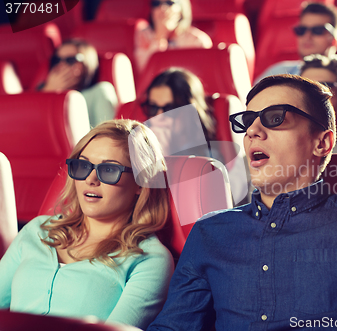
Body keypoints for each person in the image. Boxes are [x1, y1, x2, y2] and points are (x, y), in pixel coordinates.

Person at [147, 74, 337, 330]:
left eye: (274, 118)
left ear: (322, 143)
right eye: (247, 121)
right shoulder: (210, 232)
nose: (253, 131)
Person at [0, 119, 173, 330]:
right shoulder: (38, 230)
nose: (91, 179)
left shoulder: (150, 260)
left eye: (109, 170)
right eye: (83, 165)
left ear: (141, 182)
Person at [142, 67, 250, 205]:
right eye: (153, 108)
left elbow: (202, 206)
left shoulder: (210, 157)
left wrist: (168, 159)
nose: (159, 116)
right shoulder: (141, 147)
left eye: (170, 109)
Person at [254, 2, 337, 90]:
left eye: (317, 30)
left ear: (334, 39)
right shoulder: (275, 73)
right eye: (302, 30)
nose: (307, 36)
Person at [38, 39, 118, 128]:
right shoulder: (42, 89)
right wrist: (49, 91)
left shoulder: (99, 91)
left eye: (71, 60)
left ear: (86, 63)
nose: (61, 65)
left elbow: (108, 135)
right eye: (57, 60)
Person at [135, 0, 213, 72]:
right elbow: (144, 70)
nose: (163, 8)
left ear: (181, 9)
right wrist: (159, 36)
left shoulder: (197, 40)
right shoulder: (144, 35)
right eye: (156, 3)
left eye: (170, 3)